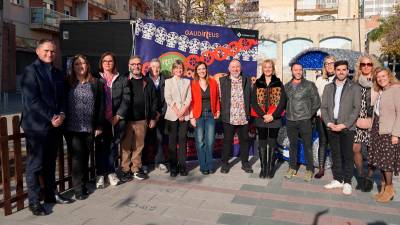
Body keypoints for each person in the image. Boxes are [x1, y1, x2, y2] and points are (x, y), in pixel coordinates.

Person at [20, 39, 73, 216]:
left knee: (50, 164)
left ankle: (51, 195)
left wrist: (62, 114)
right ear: (37, 51)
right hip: (36, 127)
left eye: (52, 51)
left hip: (55, 126)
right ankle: (34, 202)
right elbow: (32, 100)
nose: (50, 54)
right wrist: (52, 116)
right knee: (35, 166)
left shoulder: (58, 73)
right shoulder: (30, 72)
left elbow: (63, 98)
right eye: (46, 50)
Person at [64, 54, 104, 200]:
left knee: (85, 156)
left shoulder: (96, 83)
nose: (80, 66)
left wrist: (99, 125)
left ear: (87, 66)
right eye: (77, 64)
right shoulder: (67, 83)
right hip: (72, 128)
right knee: (76, 158)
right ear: (72, 67)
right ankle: (78, 189)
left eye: (83, 63)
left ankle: (83, 183)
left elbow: (101, 106)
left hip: (89, 127)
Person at [321, 60, 361, 195]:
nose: (341, 72)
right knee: (335, 154)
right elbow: (324, 108)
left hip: (347, 127)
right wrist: (329, 123)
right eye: (339, 70)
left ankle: (348, 182)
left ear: (347, 70)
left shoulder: (354, 87)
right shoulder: (328, 87)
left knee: (347, 155)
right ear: (335, 71)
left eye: (344, 69)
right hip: (332, 126)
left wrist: (344, 125)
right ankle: (338, 179)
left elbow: (356, 109)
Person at [119, 55, 158, 181]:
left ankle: (136, 169)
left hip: (142, 120)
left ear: (141, 66)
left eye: (138, 64)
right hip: (126, 120)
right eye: (133, 64)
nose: (136, 66)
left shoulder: (148, 81)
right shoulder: (123, 79)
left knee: (139, 146)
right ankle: (125, 170)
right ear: (129, 66)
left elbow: (154, 101)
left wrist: (152, 118)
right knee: (125, 146)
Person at [95, 52, 130, 188]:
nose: (108, 63)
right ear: (101, 63)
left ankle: (111, 172)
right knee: (100, 147)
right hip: (100, 119)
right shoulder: (96, 78)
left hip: (116, 119)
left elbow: (126, 99)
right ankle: (100, 174)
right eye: (105, 61)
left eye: (110, 61)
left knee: (113, 147)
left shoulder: (121, 79)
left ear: (114, 63)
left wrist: (118, 115)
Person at [284, 62, 320, 182]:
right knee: (292, 145)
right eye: (295, 70)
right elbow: (284, 103)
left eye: (300, 70)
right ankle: (292, 167)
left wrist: (308, 116)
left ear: (302, 71)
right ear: (292, 71)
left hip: (305, 120)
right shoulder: (287, 86)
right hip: (290, 120)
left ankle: (309, 169)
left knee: (307, 145)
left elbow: (316, 103)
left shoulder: (309, 85)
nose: (298, 72)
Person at [368, 67, 400, 202]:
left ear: (389, 76)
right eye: (378, 77)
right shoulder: (381, 91)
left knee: (387, 163)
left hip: (389, 131)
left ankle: (390, 189)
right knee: (381, 161)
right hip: (377, 130)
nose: (381, 79)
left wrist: (396, 134)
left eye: (383, 76)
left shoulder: (396, 90)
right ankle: (384, 189)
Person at [251, 59, 286, 178]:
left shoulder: (278, 83)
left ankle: (271, 168)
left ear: (273, 69)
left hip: (274, 118)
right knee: (261, 143)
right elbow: (253, 102)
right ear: (262, 69)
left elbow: (282, 101)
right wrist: (263, 115)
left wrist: (273, 116)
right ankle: (263, 168)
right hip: (261, 118)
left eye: (269, 67)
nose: (267, 69)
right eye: (265, 67)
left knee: (272, 142)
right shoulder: (257, 83)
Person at [219, 59, 253, 174]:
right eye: (233, 67)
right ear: (229, 69)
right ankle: (225, 164)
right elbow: (218, 98)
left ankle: (245, 163)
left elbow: (251, 98)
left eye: (237, 66)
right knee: (227, 141)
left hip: (243, 116)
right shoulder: (222, 81)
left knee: (244, 141)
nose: (235, 69)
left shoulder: (247, 80)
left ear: (241, 68)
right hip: (229, 117)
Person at [353, 54, 380, 192]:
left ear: (373, 65)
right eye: (363, 64)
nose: (366, 67)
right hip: (357, 120)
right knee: (356, 149)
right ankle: (361, 175)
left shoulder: (378, 82)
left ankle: (369, 177)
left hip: (373, 122)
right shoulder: (355, 81)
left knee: (372, 151)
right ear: (360, 66)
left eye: (369, 64)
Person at [190, 62, 220, 175]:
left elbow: (217, 98)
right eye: (199, 69)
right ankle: (203, 166)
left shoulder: (213, 82)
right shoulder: (193, 84)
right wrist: (192, 116)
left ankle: (210, 164)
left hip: (210, 115)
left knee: (210, 141)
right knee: (200, 141)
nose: (202, 71)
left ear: (206, 70)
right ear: (196, 71)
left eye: (203, 68)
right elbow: (191, 101)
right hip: (198, 115)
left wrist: (218, 110)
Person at [164, 60, 192, 177]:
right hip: (172, 116)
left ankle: (182, 166)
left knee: (182, 141)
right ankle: (173, 167)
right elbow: (168, 98)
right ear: (173, 70)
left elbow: (189, 98)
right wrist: (177, 113)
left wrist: (182, 112)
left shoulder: (187, 81)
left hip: (184, 115)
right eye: (176, 68)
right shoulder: (168, 81)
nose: (179, 70)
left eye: (181, 68)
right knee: (172, 142)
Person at [314, 55, 336, 178]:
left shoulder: (339, 79)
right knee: (323, 141)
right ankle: (321, 169)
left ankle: (336, 167)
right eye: (326, 64)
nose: (329, 66)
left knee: (335, 143)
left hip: (335, 118)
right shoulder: (320, 80)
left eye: (331, 63)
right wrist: (318, 113)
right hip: (321, 116)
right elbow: (316, 99)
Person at [144, 58, 168, 171]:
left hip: (160, 115)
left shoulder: (165, 80)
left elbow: (167, 99)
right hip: (147, 115)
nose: (156, 69)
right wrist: (151, 116)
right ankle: (144, 163)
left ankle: (160, 162)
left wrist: (160, 114)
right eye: (153, 67)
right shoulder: (144, 80)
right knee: (145, 139)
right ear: (149, 68)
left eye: (158, 67)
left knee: (160, 138)